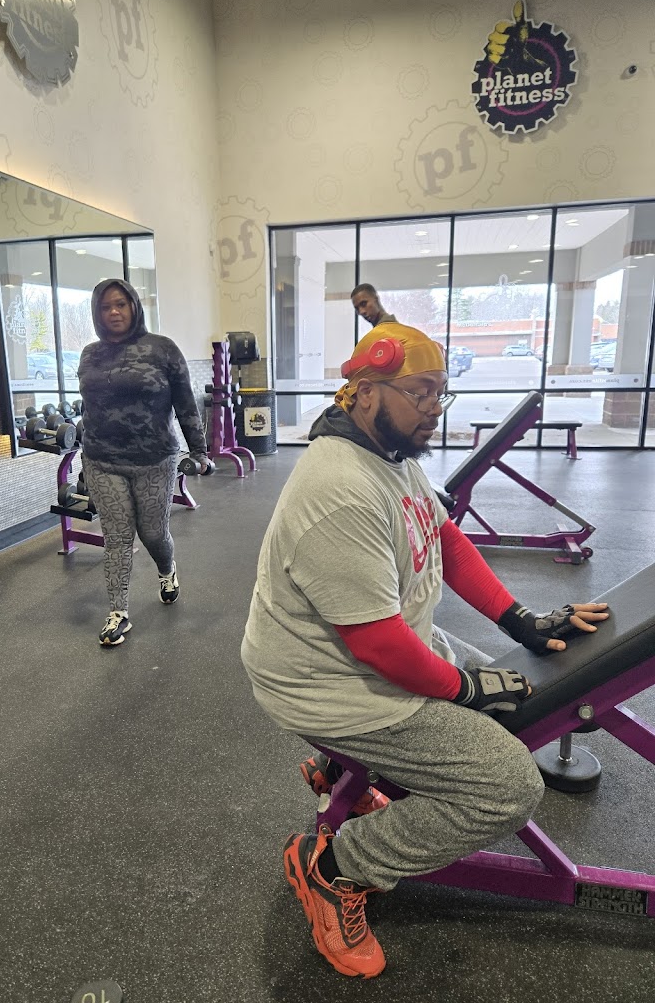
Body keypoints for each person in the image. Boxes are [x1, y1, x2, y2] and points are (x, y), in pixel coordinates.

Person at [241, 321, 609, 979]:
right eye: (421, 392)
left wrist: (520, 621)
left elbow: (445, 540)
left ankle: (347, 773)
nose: (435, 409)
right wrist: (465, 689)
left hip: (386, 648)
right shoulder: (338, 488)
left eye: (442, 392)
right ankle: (334, 868)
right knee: (507, 787)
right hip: (330, 684)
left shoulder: (393, 457)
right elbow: (376, 644)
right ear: (365, 392)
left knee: (512, 696)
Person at [77, 278, 210, 647]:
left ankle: (167, 570)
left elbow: (185, 404)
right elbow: (89, 407)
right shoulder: (90, 354)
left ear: (134, 306)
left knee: (152, 533)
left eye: (121, 304)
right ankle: (118, 613)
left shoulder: (162, 349)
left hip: (154, 459)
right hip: (102, 459)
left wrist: (199, 452)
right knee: (117, 537)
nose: (114, 312)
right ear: (97, 313)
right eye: (106, 307)